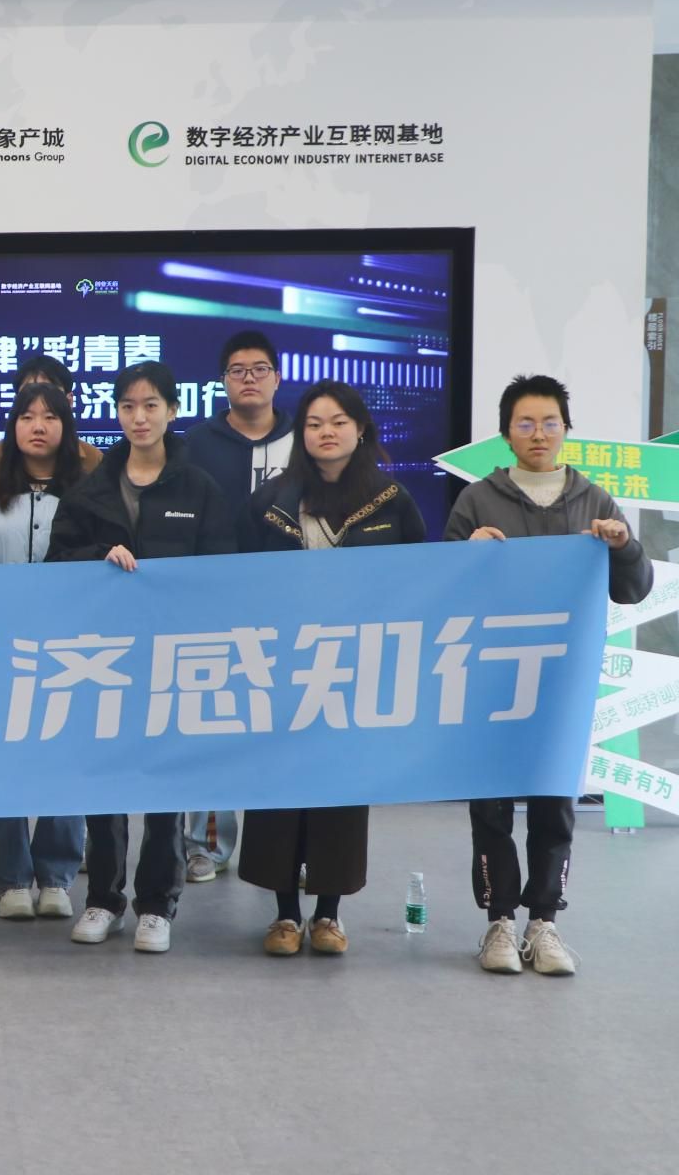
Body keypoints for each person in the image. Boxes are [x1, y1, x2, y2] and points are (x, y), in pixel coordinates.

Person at [444, 374, 651, 977]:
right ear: (506, 433)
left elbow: (633, 590)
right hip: (491, 676)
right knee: (491, 803)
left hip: (562, 680)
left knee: (554, 802)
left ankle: (544, 922)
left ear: (566, 430)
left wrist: (623, 546)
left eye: (550, 422)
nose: (539, 433)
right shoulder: (477, 500)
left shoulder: (594, 500)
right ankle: (499, 922)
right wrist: (466, 554)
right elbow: (441, 589)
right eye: (526, 423)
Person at [47, 361, 236, 954]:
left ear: (172, 411)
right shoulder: (91, 489)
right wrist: (99, 558)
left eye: (151, 405)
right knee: (105, 784)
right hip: (104, 659)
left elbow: (219, 576)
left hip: (172, 659)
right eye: (128, 406)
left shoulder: (198, 489)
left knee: (163, 788)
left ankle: (158, 904)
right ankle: (104, 899)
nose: (139, 417)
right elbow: (57, 565)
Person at [241, 381, 425, 957]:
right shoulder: (270, 500)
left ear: (360, 429)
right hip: (281, 666)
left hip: (355, 667)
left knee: (339, 792)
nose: (327, 432)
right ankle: (284, 915)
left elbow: (421, 578)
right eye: (315, 423)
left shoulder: (391, 500)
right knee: (280, 788)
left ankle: (328, 914)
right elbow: (237, 580)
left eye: (339, 422)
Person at [0, 381, 87, 924]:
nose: (38, 426)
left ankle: (57, 875)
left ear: (66, 425)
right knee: (4, 757)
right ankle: (11, 877)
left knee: (67, 756)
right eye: (27, 416)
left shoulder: (90, 490)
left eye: (50, 416)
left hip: (71, 644)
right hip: (0, 642)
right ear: (12, 426)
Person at [179, 330, 295, 883]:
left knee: (290, 723)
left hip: (291, 604)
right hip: (213, 603)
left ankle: (291, 849)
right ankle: (207, 844)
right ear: (222, 381)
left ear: (277, 377)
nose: (249, 378)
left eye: (259, 369)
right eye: (237, 370)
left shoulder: (304, 438)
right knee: (214, 720)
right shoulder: (196, 443)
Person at [0, 352, 105, 485]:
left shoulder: (94, 461)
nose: (39, 398)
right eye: (30, 392)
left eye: (49, 391)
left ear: (69, 401)